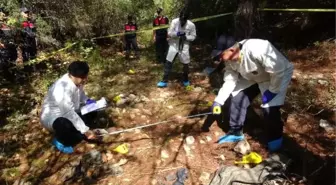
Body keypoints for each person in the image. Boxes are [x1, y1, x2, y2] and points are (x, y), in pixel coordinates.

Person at [211, 39, 293, 152]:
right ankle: (236, 131)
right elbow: (230, 80)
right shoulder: (229, 59)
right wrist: (219, 101)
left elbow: (277, 71)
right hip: (254, 76)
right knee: (237, 96)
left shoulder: (257, 48)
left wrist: (273, 91)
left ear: (231, 49)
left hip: (278, 75)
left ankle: (275, 142)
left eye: (220, 55)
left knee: (270, 109)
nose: (218, 59)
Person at [40, 61, 99, 154]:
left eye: (86, 76)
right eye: (83, 77)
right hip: (55, 117)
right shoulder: (62, 88)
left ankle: (77, 131)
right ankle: (60, 140)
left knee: (93, 109)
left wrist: (87, 101)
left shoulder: (78, 81)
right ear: (74, 75)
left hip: (72, 111)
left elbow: (81, 94)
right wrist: (85, 130)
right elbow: (68, 112)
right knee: (65, 125)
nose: (85, 79)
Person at [157, 8, 196, 87]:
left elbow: (193, 36)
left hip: (184, 46)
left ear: (186, 19)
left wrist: (186, 37)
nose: (182, 21)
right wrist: (177, 34)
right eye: (181, 19)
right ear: (179, 17)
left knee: (185, 64)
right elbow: (169, 32)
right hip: (173, 45)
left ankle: (185, 79)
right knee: (168, 62)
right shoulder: (174, 22)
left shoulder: (191, 25)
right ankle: (164, 81)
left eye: (184, 20)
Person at [0, 9, 17, 81]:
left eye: (5, 13)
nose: (4, 15)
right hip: (3, 47)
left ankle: (13, 78)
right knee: (5, 63)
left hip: (12, 45)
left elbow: (15, 33)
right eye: (2, 13)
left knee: (13, 61)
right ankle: (7, 79)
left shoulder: (11, 22)